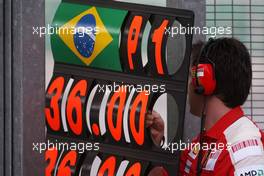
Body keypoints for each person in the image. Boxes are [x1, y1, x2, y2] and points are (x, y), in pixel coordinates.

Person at [147, 38, 264, 176]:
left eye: (191, 77)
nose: (189, 85)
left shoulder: (245, 150)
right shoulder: (201, 145)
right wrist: (154, 143)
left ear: (204, 81)